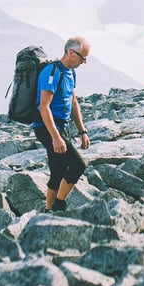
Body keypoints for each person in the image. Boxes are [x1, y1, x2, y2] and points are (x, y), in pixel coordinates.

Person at [33, 37, 91, 212]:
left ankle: (48, 211)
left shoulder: (71, 73)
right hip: (46, 127)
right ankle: (59, 204)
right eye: (82, 58)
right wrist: (56, 138)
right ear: (71, 52)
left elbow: (73, 103)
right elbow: (44, 106)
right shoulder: (52, 72)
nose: (84, 62)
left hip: (61, 127)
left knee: (58, 170)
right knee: (78, 165)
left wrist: (82, 131)